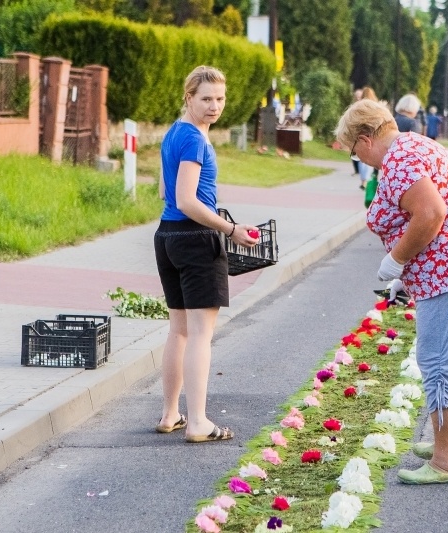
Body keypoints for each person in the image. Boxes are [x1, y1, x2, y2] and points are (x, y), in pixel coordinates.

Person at [335, 99, 448, 484]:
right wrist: (406, 271)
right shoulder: (419, 144)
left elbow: (431, 213)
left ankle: (446, 462)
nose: (358, 158)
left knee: (441, 362)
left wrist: (396, 260)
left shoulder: (398, 160)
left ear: (365, 138)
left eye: (354, 150)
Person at [154, 65, 259, 442]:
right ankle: (197, 421)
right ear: (189, 98)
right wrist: (230, 228)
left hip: (167, 236)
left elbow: (165, 192)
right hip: (196, 240)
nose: (215, 106)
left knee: (179, 331)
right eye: (206, 99)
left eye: (220, 99)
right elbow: (185, 199)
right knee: (200, 334)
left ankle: (170, 414)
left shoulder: (174, 133)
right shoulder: (195, 140)